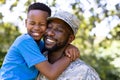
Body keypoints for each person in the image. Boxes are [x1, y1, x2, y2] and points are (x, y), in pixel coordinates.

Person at [0, 3, 80, 80]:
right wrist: (69, 57)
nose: (36, 28)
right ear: (26, 23)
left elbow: (57, 47)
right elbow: (51, 73)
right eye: (32, 23)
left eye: (42, 24)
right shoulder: (25, 42)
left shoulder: (40, 45)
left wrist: (69, 46)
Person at [37, 11, 101, 80]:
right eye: (49, 27)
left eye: (59, 30)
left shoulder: (84, 72)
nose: (50, 33)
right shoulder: (35, 58)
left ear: (70, 39)